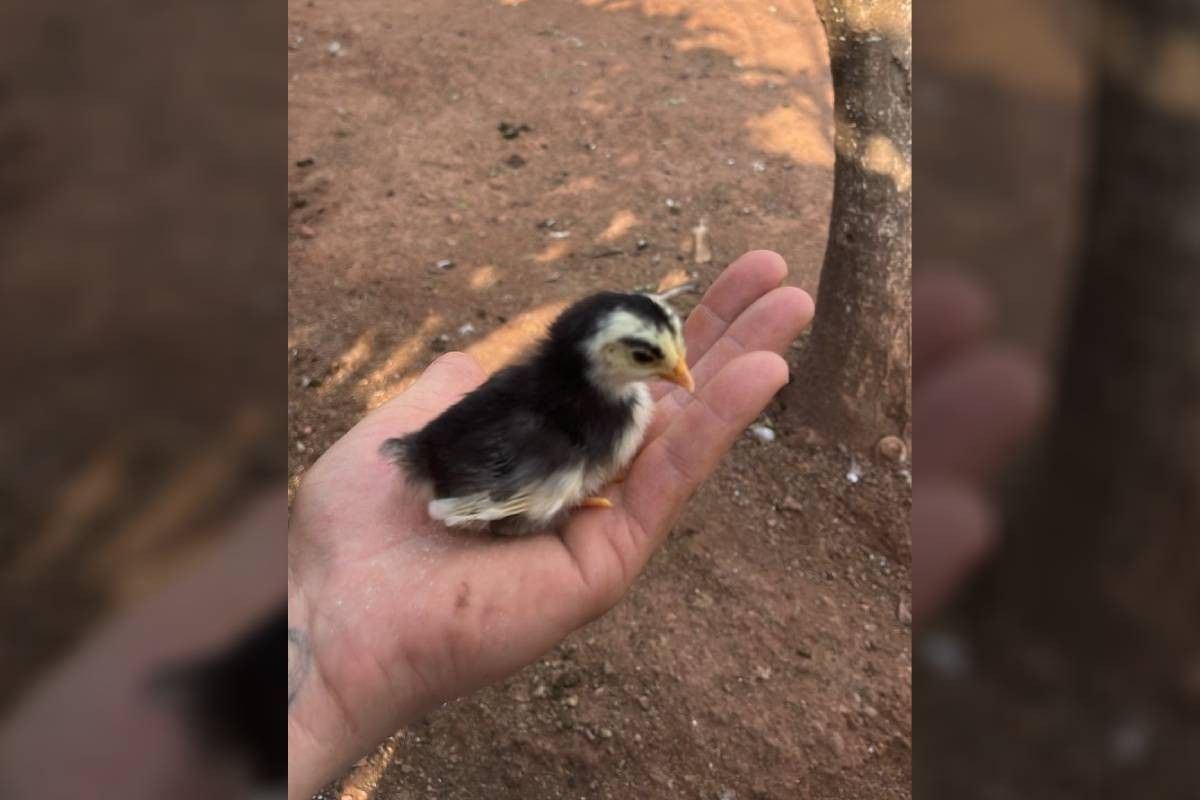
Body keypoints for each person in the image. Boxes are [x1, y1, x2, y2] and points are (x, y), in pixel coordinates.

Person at [286, 250, 814, 798]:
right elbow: (463, 498)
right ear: (600, 360)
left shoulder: (570, 399)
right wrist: (557, 499)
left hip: (466, 452)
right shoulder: (573, 440)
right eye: (648, 356)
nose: (681, 373)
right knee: (550, 489)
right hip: (473, 483)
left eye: (675, 354)